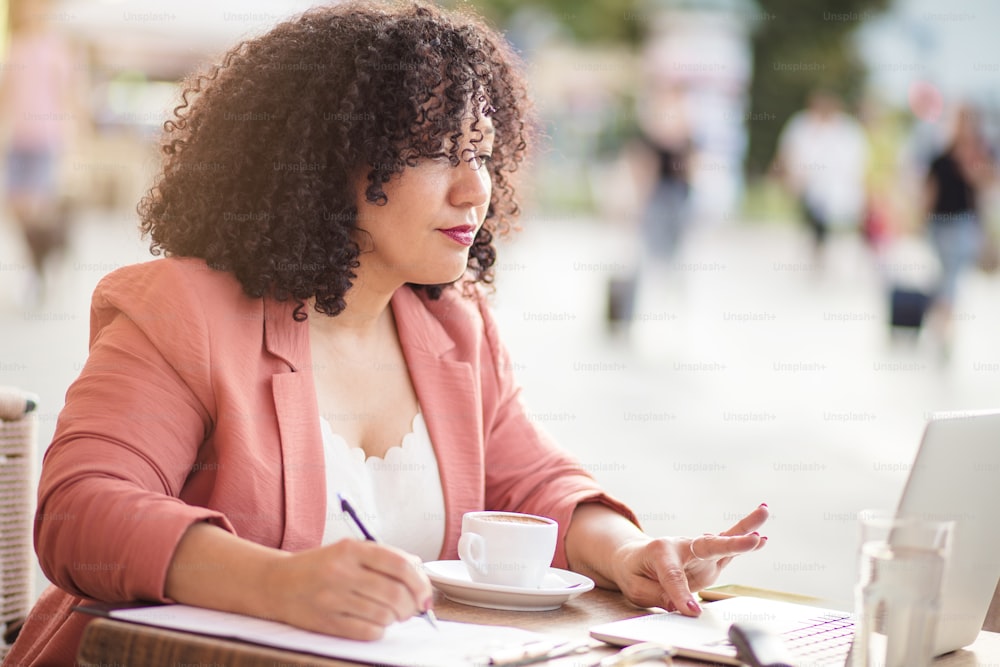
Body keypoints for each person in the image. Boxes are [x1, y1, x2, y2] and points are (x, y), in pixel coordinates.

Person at [4, 2, 768, 664]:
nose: (474, 187)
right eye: (437, 152)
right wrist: (276, 581)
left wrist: (631, 554)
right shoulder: (183, 310)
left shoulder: (452, 326)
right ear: (325, 161)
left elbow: (535, 484)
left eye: (482, 153)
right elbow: (81, 512)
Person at [0, 0, 77, 305]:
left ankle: (40, 268)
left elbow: (69, 94)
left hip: (47, 139)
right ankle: (43, 258)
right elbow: (5, 96)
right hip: (18, 139)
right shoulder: (15, 48)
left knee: (35, 208)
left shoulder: (58, 49)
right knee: (16, 209)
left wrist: (73, 139)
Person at [923, 103, 997, 351]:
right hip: (939, 223)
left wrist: (971, 166)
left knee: (952, 275)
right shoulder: (941, 155)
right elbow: (930, 191)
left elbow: (988, 184)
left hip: (964, 222)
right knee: (945, 276)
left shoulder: (981, 153)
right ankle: (941, 321)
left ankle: (943, 328)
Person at [774, 90, 869, 266]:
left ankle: (831, 254)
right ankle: (817, 254)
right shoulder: (801, 124)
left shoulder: (848, 129)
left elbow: (857, 161)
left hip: (838, 187)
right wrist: (790, 176)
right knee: (815, 220)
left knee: (834, 222)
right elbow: (789, 152)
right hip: (811, 186)